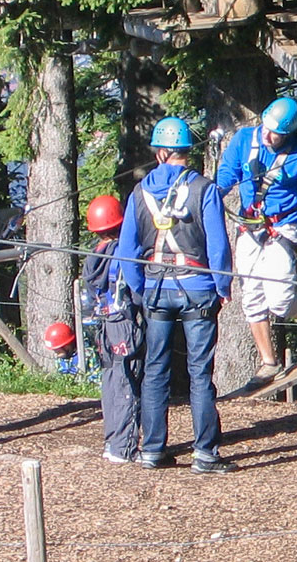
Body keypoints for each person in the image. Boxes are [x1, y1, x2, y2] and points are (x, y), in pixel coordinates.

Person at [116, 117, 237, 474]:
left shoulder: (139, 193)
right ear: (185, 151)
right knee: (200, 372)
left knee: (155, 369)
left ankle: (153, 449)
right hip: (198, 289)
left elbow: (127, 251)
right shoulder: (204, 189)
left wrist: (140, 289)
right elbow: (218, 245)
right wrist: (222, 287)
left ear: (160, 152)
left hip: (155, 289)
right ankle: (205, 453)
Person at [216, 97, 297, 388]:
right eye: (266, 129)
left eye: (276, 133)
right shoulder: (244, 139)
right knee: (252, 296)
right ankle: (268, 362)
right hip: (249, 226)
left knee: (280, 299)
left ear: (289, 133)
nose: (268, 136)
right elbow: (228, 174)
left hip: (283, 227)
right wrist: (212, 194)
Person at [82, 195, 144, 465]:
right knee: (127, 381)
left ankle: (112, 441)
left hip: (104, 326)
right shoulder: (121, 254)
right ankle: (124, 447)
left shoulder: (93, 257)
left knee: (110, 381)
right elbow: (135, 291)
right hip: (124, 324)